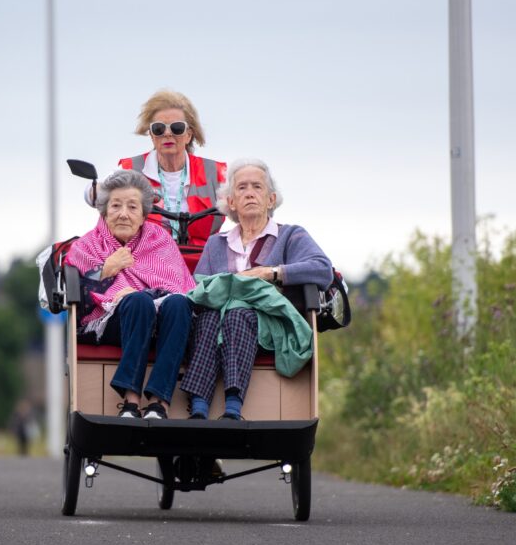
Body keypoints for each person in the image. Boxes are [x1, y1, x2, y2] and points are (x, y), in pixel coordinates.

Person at [180, 158, 334, 420]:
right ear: (231, 202)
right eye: (241, 188)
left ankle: (232, 407)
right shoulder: (216, 243)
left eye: (257, 187)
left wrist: (272, 273)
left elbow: (322, 269)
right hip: (215, 323)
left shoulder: (290, 235)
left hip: (266, 325)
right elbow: (198, 288)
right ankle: (198, 409)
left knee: (238, 314)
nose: (249, 193)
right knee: (207, 318)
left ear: (271, 199)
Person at [68, 169, 197, 419]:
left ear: (143, 215)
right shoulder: (87, 245)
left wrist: (150, 294)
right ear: (104, 211)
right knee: (137, 302)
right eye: (116, 205)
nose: (123, 214)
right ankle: (130, 401)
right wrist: (105, 270)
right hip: (111, 323)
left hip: (164, 320)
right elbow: (76, 293)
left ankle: (159, 402)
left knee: (179, 304)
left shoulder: (160, 239)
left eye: (132, 207)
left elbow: (181, 287)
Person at [86, 89, 226, 245]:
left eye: (177, 128)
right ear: (151, 135)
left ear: (189, 135)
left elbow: (246, 199)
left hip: (203, 260)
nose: (167, 134)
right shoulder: (131, 168)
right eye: (158, 128)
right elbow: (93, 194)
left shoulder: (216, 172)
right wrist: (97, 191)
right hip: (146, 258)